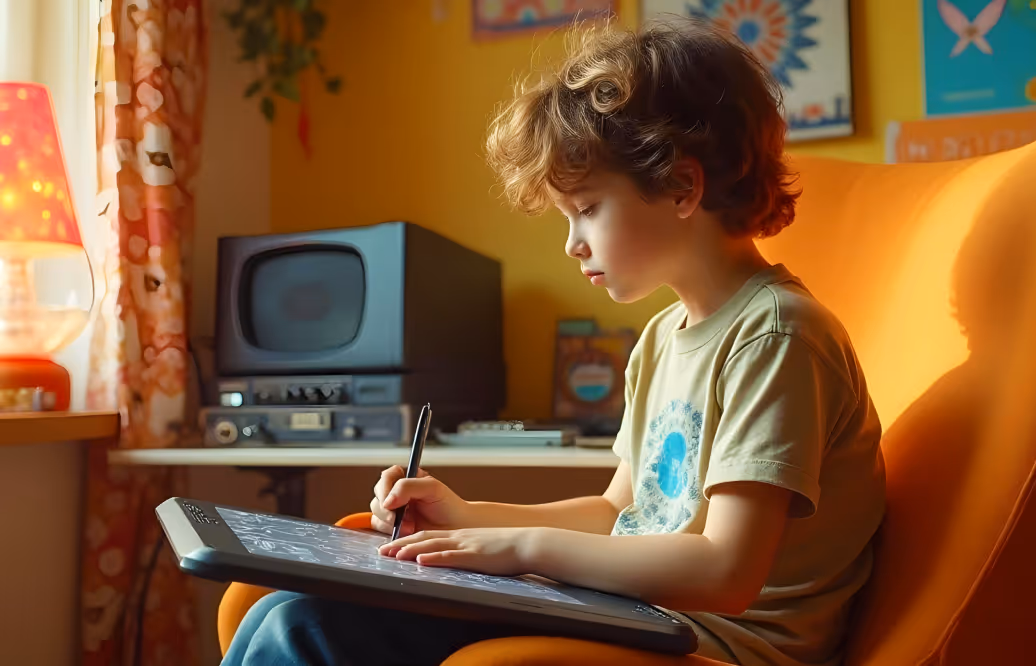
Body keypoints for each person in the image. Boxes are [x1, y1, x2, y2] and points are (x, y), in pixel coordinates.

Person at [222, 16, 885, 666]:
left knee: (310, 627)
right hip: (646, 613)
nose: (572, 244)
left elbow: (725, 572)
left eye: (588, 208)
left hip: (718, 643)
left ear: (682, 185)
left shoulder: (775, 336)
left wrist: (525, 549)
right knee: (284, 608)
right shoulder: (662, 338)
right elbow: (619, 511)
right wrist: (465, 514)